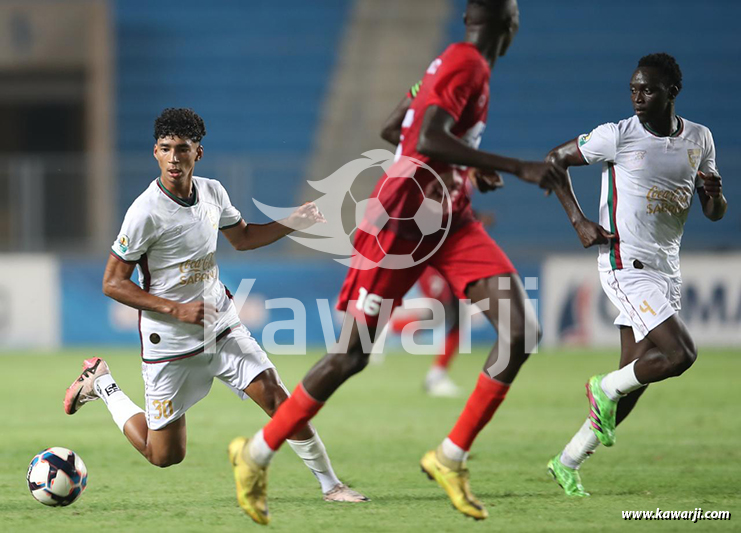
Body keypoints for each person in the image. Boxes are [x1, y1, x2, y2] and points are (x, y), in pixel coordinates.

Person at [229, 0, 567, 522]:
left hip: (451, 220)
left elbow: (397, 128)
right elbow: (427, 136)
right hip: (401, 224)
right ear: (509, 24)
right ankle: (255, 455)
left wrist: (468, 169)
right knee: (351, 356)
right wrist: (514, 165)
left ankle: (450, 457)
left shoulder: (449, 65)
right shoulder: (467, 64)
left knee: (520, 331)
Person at [63, 108, 368, 524]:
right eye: (166, 149)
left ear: (198, 153)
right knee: (164, 455)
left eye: (182, 150)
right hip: (168, 341)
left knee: (278, 396)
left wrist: (292, 222)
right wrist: (176, 309)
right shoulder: (145, 212)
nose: (174, 158)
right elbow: (113, 282)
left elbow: (242, 238)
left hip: (221, 324)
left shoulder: (213, 192)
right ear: (155, 152)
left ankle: (331, 485)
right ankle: (104, 384)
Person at [545, 53, 727, 496]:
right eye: (633, 89)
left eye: (647, 89)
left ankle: (567, 459)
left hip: (667, 269)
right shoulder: (616, 136)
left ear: (672, 92)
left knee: (636, 377)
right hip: (625, 264)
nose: (637, 97)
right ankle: (601, 387)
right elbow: (553, 161)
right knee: (680, 355)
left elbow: (715, 213)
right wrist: (579, 221)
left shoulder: (699, 139)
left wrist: (715, 195)